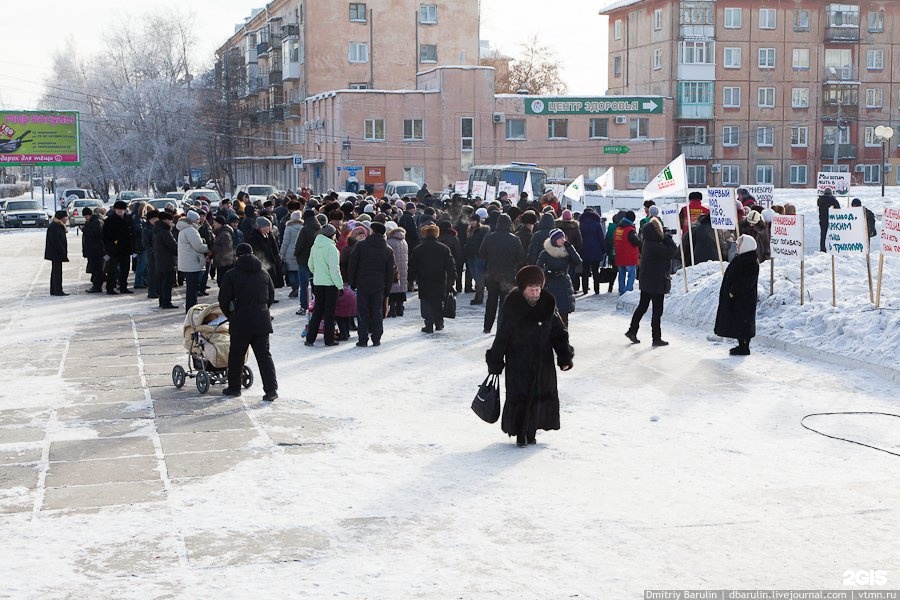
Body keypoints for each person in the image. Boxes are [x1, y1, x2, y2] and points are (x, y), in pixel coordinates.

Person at [485, 266, 574, 448]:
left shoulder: (548, 304)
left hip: (543, 362)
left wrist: (564, 357)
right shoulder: (513, 305)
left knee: (538, 396)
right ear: (523, 288)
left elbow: (559, 333)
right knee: (519, 397)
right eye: (531, 289)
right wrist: (495, 360)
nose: (535, 293)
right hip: (518, 362)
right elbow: (502, 336)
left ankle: (531, 432)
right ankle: (519, 433)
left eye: (537, 289)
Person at [218, 243, 278, 402]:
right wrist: (262, 311)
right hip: (261, 321)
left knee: (236, 356)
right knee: (264, 357)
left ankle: (234, 388)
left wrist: (232, 315)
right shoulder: (264, 272)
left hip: (241, 321)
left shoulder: (231, 274)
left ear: (237, 256)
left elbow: (223, 299)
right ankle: (271, 390)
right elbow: (271, 296)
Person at [625, 214, 678, 346]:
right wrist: (668, 238)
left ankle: (632, 330)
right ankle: (656, 338)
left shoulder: (647, 243)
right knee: (657, 310)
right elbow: (672, 251)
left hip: (647, 280)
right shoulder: (655, 246)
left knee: (642, 306)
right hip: (656, 281)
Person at [348, 221, 396, 347]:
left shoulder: (361, 246)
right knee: (377, 312)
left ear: (372, 231)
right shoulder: (387, 250)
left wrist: (352, 282)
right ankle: (376, 338)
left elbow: (353, 265)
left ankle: (362, 339)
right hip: (379, 285)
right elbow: (390, 272)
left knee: (362, 312)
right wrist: (387, 289)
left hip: (362, 283)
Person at [714, 234, 760, 356]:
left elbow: (746, 280)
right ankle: (741, 345)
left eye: (739, 245)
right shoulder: (742, 258)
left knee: (743, 322)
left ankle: (745, 346)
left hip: (743, 299)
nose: (737, 247)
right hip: (738, 299)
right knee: (739, 322)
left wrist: (733, 291)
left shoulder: (750, 261)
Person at [479, 214, 525, 334]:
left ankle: (487, 326)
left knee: (491, 301)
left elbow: (482, 254)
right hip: (508, 275)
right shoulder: (514, 239)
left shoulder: (489, 237)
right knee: (505, 303)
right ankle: (501, 327)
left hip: (491, 274)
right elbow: (520, 257)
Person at [408, 223, 456, 334]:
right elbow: (450, 265)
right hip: (439, 279)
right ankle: (439, 322)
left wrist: (410, 280)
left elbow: (412, 266)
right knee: (438, 300)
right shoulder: (444, 248)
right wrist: (452, 278)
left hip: (424, 279)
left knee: (426, 301)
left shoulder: (418, 249)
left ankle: (428, 324)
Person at [536, 228, 583, 327]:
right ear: (554, 240)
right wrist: (546, 273)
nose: (563, 240)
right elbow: (538, 268)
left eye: (563, 237)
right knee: (550, 315)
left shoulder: (566, 251)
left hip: (564, 285)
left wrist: (570, 247)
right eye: (560, 238)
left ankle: (564, 339)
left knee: (564, 316)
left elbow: (578, 261)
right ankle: (549, 340)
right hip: (550, 285)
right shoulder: (545, 253)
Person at [305, 224, 343, 347]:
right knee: (329, 313)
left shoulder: (314, 246)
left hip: (318, 282)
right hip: (330, 284)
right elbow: (334, 269)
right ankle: (329, 339)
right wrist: (340, 285)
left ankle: (310, 338)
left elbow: (310, 265)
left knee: (318, 311)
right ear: (332, 235)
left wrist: (318, 274)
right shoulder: (332, 248)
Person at [176, 210, 210, 312]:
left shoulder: (183, 230)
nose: (199, 222)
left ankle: (190, 308)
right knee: (192, 289)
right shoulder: (191, 230)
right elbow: (199, 247)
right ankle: (191, 308)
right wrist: (210, 247)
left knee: (191, 288)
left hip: (186, 263)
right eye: (198, 220)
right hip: (192, 264)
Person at [102, 200, 134, 294]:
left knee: (125, 269)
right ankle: (110, 288)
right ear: (115, 210)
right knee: (112, 270)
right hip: (114, 249)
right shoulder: (110, 220)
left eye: (122, 209)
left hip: (125, 249)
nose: (120, 211)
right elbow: (105, 236)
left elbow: (131, 234)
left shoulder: (128, 219)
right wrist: (109, 247)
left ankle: (123, 287)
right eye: (118, 209)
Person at [293, 209, 321, 315]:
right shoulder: (319, 228)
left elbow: (299, 245)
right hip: (316, 261)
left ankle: (304, 306)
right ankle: (316, 304)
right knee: (315, 284)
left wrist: (296, 254)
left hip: (304, 260)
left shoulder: (304, 229)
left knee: (304, 285)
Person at [152, 212, 179, 309]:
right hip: (167, 260)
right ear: (165, 220)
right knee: (167, 283)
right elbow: (172, 246)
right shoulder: (165, 232)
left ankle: (162, 301)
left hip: (160, 260)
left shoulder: (157, 230)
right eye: (169, 220)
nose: (171, 222)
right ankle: (166, 302)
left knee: (162, 282)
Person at [577, 207, 606, 294]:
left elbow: (579, 238)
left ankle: (585, 289)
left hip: (584, 249)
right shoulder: (597, 224)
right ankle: (596, 289)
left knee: (585, 271)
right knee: (595, 270)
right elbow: (601, 238)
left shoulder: (581, 224)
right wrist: (603, 249)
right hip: (596, 249)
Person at [613, 210, 640, 295]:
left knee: (621, 275)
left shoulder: (618, 229)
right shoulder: (630, 230)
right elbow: (637, 242)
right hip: (629, 256)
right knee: (631, 274)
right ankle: (628, 292)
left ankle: (621, 291)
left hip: (619, 256)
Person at [386, 223, 409, 317]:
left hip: (394, 269)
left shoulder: (390, 242)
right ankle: (400, 308)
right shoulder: (404, 241)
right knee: (401, 288)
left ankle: (393, 310)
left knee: (393, 289)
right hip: (403, 268)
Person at [45, 210, 69, 296]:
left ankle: (54, 289)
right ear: (61, 218)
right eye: (65, 218)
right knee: (57, 272)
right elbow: (56, 241)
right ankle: (57, 290)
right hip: (56, 253)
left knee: (55, 271)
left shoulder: (58, 225)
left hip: (56, 253)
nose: (66, 220)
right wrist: (62, 252)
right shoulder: (55, 226)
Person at [81, 207, 105, 293]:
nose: (86, 218)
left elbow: (96, 233)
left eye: (86, 216)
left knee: (97, 268)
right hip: (93, 250)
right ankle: (96, 285)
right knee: (95, 268)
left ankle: (97, 286)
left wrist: (84, 229)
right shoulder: (92, 221)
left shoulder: (96, 222)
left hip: (96, 250)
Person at [279, 210, 303, 298]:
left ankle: (294, 288)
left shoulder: (288, 227)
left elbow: (285, 242)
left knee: (291, 272)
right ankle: (298, 286)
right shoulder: (302, 227)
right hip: (300, 252)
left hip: (289, 252)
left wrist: (281, 253)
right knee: (298, 271)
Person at [817, 188, 840, 252]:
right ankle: (835, 248)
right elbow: (838, 209)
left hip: (822, 219)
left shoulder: (820, 200)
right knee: (835, 235)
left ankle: (822, 248)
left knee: (823, 235)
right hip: (832, 220)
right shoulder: (833, 200)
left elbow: (818, 205)